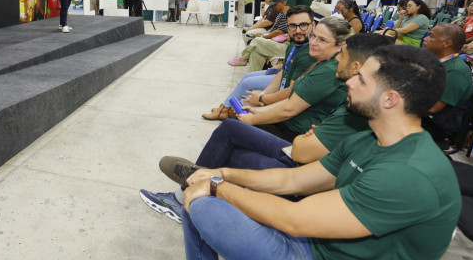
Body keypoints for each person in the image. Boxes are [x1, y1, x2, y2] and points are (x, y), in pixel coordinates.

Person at [180, 45, 459, 260]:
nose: (350, 81)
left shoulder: (408, 174)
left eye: (361, 79)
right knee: (202, 189)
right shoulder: (367, 139)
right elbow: (293, 179)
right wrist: (223, 174)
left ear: (390, 99)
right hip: (319, 245)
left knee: (202, 201)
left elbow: (294, 220)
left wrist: (217, 186)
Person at [139, 34, 392, 224]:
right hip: (306, 150)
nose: (313, 40)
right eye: (311, 34)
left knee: (231, 131)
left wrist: (258, 111)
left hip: (300, 154)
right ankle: (200, 192)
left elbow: (292, 117)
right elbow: (285, 87)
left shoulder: (351, 98)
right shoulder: (321, 68)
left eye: (340, 51)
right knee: (234, 147)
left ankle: (189, 195)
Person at [233, 16, 352, 141]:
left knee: (231, 127)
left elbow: (289, 110)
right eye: (313, 36)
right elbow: (293, 100)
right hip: (289, 123)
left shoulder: (328, 70)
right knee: (234, 124)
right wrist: (260, 111)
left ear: (340, 46)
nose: (313, 42)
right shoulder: (320, 62)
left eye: (322, 40)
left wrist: (254, 118)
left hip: (297, 132)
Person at [210, 5, 315, 119]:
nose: (298, 30)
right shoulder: (294, 45)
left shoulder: (311, 53)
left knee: (255, 47)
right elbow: (284, 71)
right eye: (293, 26)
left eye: (303, 25)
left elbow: (291, 92)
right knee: (249, 71)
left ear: (313, 25)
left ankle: (226, 108)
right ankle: (229, 108)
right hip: (281, 74)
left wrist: (261, 99)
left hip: (286, 95)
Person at [421, 24, 473, 145]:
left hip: (435, 124)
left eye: (431, 36)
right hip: (423, 113)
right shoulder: (437, 61)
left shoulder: (455, 71)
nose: (425, 38)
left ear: (446, 43)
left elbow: (432, 108)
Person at [226, 0, 290, 73]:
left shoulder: (288, 15)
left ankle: (244, 58)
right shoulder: (280, 13)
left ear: (283, 2)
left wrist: (263, 36)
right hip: (275, 38)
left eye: (276, 4)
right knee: (256, 51)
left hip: (282, 44)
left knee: (256, 41)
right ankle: (251, 78)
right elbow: (268, 23)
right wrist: (263, 33)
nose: (275, 7)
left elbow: (279, 31)